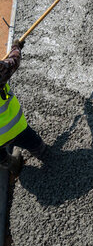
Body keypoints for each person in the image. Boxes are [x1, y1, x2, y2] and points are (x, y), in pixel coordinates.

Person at [0, 40, 48, 175]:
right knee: (33, 142)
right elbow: (13, 62)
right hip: (13, 128)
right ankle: (43, 154)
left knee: (0, 156)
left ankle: (11, 164)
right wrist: (16, 47)